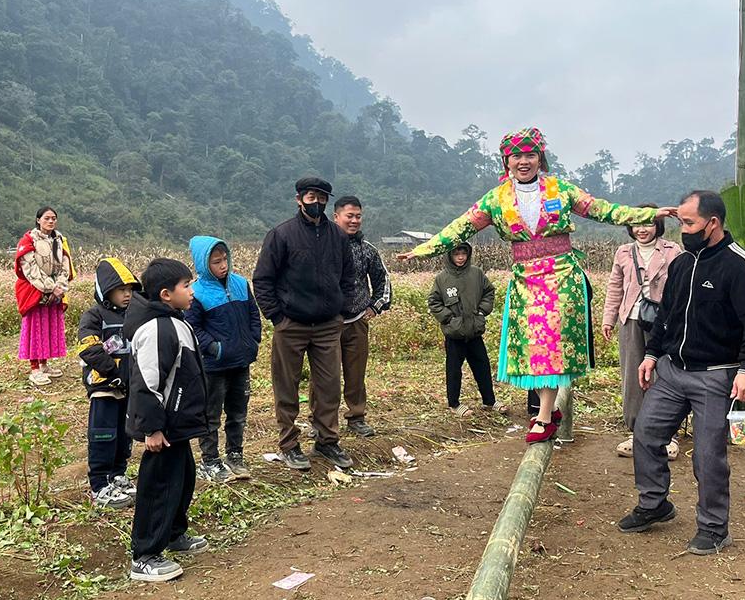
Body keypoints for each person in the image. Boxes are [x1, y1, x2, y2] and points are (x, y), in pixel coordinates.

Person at [399, 128, 671, 443]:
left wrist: (648, 213)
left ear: (540, 158)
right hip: (525, 281)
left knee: (551, 346)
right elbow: (459, 229)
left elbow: (604, 210)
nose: (524, 161)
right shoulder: (496, 199)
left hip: (562, 278)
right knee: (533, 348)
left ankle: (543, 415)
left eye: (531, 155)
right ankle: (549, 410)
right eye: (517, 156)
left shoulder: (561, 190)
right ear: (507, 161)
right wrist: (422, 249)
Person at [618, 190, 745, 556]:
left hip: (716, 376)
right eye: (680, 222)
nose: (682, 230)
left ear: (712, 223)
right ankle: (655, 503)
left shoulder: (739, 266)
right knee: (647, 433)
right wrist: (652, 354)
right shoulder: (683, 264)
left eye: (688, 223)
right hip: (673, 372)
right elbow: (667, 315)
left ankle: (715, 527)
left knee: (707, 455)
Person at [253, 176, 357, 471]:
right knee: (286, 387)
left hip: (327, 326)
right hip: (292, 324)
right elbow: (263, 280)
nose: (317, 202)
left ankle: (327, 441)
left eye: (322, 197)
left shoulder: (337, 237)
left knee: (329, 387)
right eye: (311, 197)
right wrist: (277, 318)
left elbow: (348, 278)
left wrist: (341, 312)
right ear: (298, 199)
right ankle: (289, 444)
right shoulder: (281, 235)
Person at [124, 258, 210, 582]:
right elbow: (146, 383)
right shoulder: (155, 329)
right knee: (159, 485)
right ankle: (144, 554)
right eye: (186, 286)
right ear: (165, 294)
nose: (192, 291)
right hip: (163, 427)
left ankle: (173, 534)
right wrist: (153, 428)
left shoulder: (177, 320)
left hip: (178, 425)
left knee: (183, 478)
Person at [601, 206, 683, 458]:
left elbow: (680, 286)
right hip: (631, 320)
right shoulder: (623, 252)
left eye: (648, 223)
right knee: (632, 376)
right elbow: (615, 286)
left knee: (665, 373)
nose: (642, 229)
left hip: (664, 321)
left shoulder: (672, 251)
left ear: (658, 225)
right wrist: (608, 318)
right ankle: (636, 432)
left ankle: (668, 435)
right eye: (637, 224)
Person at [186, 235, 262, 483]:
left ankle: (235, 454)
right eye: (216, 261)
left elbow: (253, 314)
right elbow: (194, 328)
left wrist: (253, 339)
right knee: (211, 414)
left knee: (238, 411)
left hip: (241, 361)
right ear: (203, 264)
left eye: (224, 259)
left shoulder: (240, 284)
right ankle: (210, 459)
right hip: (214, 366)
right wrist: (214, 348)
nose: (223, 265)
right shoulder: (196, 293)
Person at [76, 257, 142, 510]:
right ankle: (99, 485)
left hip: (129, 387)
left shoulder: (135, 315)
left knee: (125, 435)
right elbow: (89, 349)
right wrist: (111, 372)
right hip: (105, 388)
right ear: (106, 290)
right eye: (121, 290)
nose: (127, 295)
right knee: (103, 435)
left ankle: (117, 475)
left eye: (130, 290)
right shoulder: (94, 316)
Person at [328, 195, 391, 437]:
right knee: (325, 376)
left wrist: (375, 307)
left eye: (358, 216)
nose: (354, 221)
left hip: (356, 322)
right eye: (349, 216)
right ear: (336, 217)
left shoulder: (367, 250)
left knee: (356, 374)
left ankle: (356, 417)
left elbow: (382, 280)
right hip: (326, 324)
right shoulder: (323, 247)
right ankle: (321, 420)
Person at [428, 242, 500, 413]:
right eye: (456, 254)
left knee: (482, 366)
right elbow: (434, 302)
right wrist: (449, 319)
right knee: (454, 370)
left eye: (463, 253)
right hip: (454, 334)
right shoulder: (442, 279)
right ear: (450, 256)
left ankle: (489, 401)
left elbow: (489, 292)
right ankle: (454, 404)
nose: (460, 257)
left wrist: (482, 312)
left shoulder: (477, 273)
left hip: (474, 331)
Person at [13, 207, 73, 387]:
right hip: (34, 289)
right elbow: (30, 268)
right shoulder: (29, 240)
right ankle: (34, 369)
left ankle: (45, 364)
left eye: (54, 218)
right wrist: (49, 288)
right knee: (35, 326)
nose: (51, 221)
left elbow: (65, 263)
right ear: (38, 220)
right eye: (47, 218)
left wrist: (60, 287)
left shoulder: (59, 239)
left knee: (48, 325)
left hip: (55, 290)